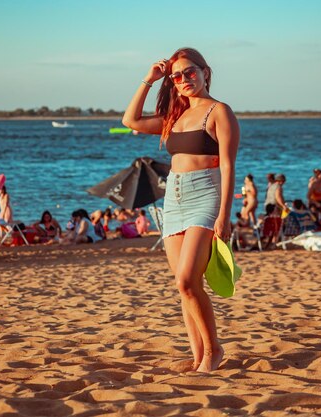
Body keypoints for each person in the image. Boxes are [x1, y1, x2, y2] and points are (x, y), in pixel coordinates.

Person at [122, 47, 239, 372]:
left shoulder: (219, 111)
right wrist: (148, 80)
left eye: (190, 72)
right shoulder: (174, 116)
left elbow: (228, 167)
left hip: (206, 196)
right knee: (185, 286)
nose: (185, 79)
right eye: (177, 76)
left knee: (187, 281)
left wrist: (224, 215)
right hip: (173, 199)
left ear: (205, 72)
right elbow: (129, 120)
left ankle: (214, 350)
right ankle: (198, 354)